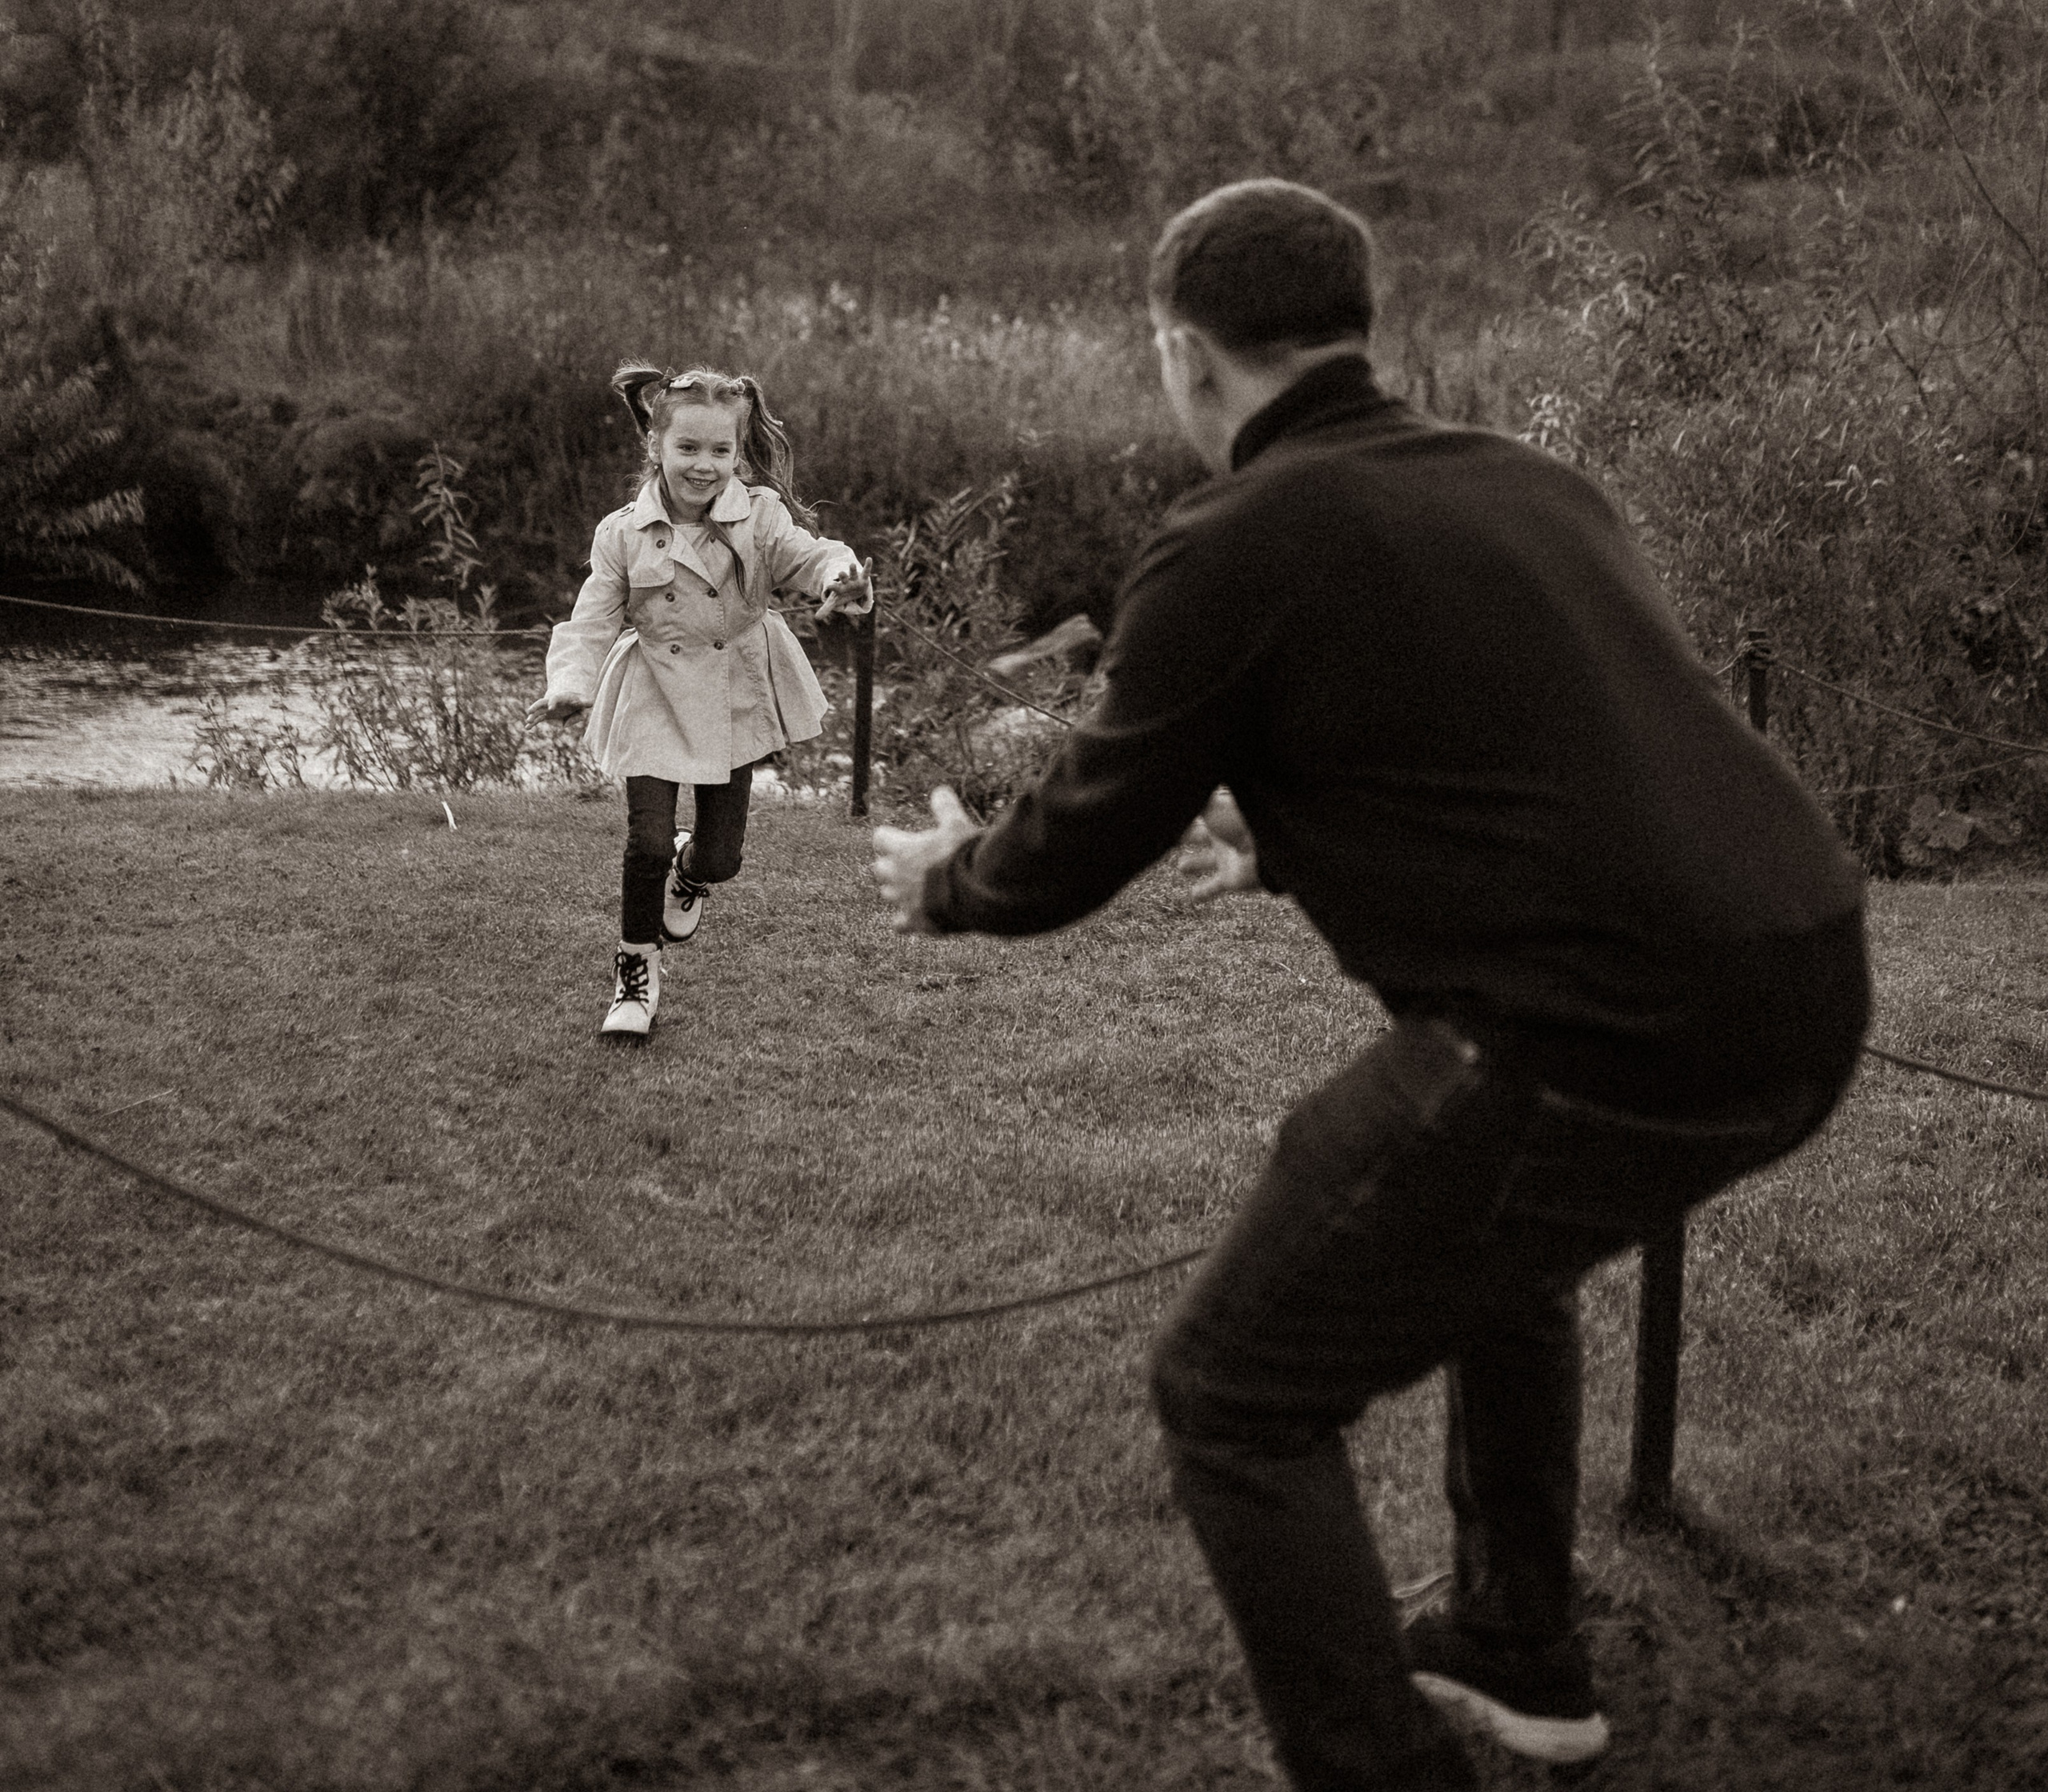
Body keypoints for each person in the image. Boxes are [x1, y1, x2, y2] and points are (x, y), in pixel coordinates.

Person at [870, 178, 1869, 1791]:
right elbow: (1534, 754)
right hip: (1807, 980)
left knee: (1230, 1389)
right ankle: (1512, 1650)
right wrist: (1279, 845)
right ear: (1357, 327)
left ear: (1185, 359)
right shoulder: (1526, 481)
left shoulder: (1233, 535)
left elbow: (1074, 839)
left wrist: (951, 885)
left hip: (1588, 1029)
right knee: (1493, 1260)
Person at [530, 363, 871, 1037]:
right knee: (646, 841)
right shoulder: (622, 532)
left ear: (738, 454)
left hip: (733, 688)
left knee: (722, 859)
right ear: (656, 447)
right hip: (654, 685)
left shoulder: (761, 517)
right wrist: (571, 684)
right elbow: (594, 618)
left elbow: (812, 554)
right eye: (688, 449)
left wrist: (842, 575)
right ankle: (635, 973)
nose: (704, 465)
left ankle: (693, 872)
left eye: (721, 451)